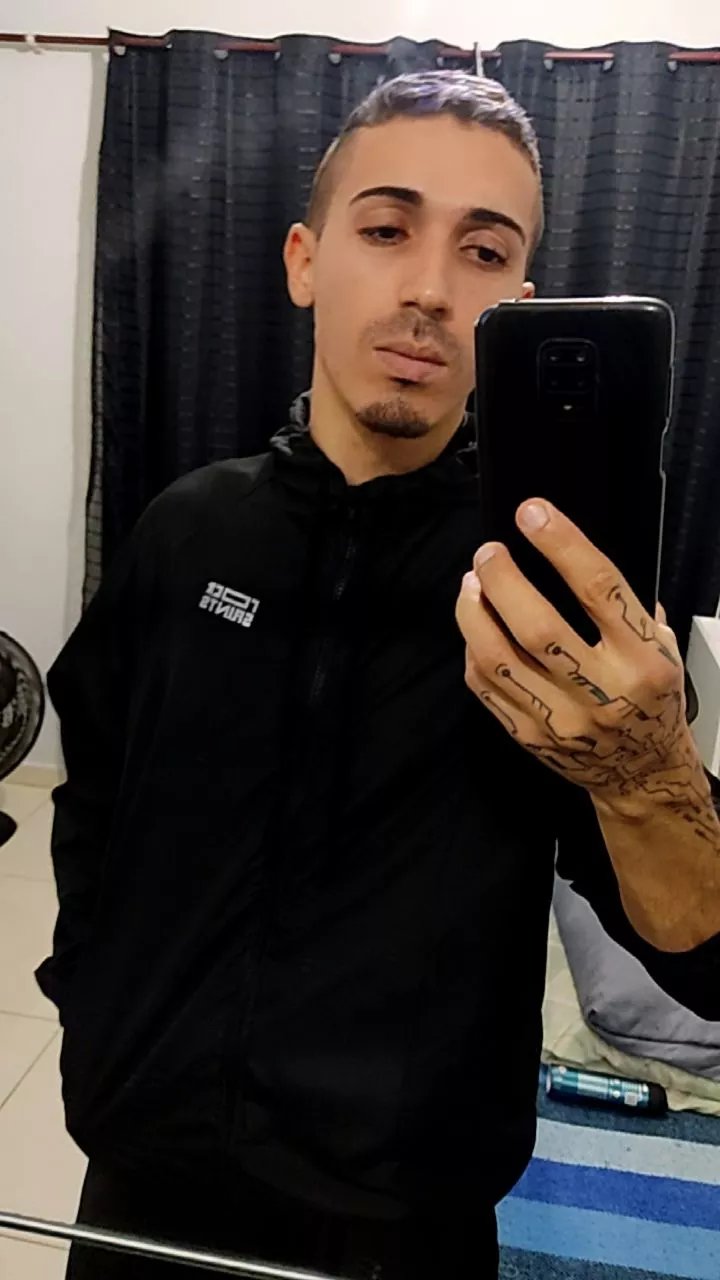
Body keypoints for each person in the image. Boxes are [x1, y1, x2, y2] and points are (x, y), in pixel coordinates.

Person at [38, 71, 720, 1280]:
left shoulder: (552, 599)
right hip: (141, 1177)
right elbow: (92, 793)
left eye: (483, 250)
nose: (428, 290)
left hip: (403, 1218)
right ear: (306, 260)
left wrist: (647, 770)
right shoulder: (187, 530)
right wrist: (90, 996)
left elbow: (696, 950)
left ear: (516, 303)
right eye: (388, 228)